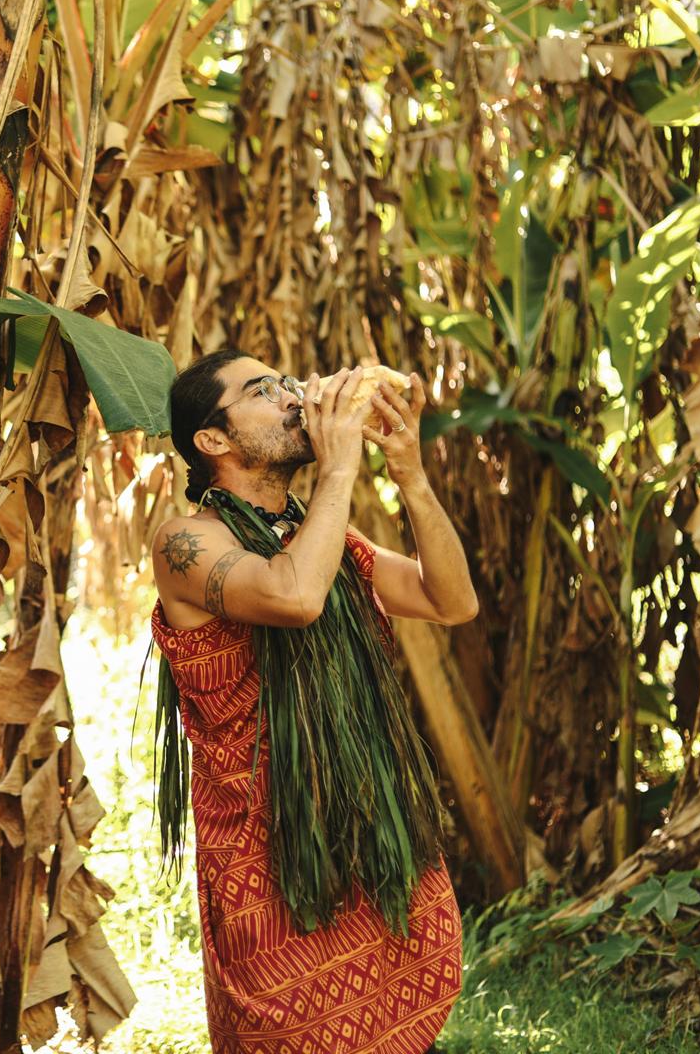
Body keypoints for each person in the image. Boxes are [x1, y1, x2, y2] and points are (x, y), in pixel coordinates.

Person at [149, 349, 478, 1054]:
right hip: (266, 860)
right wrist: (339, 470)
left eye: (291, 382)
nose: (296, 397)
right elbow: (293, 596)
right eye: (265, 390)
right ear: (214, 439)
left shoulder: (325, 541)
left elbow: (451, 600)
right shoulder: (184, 541)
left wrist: (411, 474)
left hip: (357, 830)